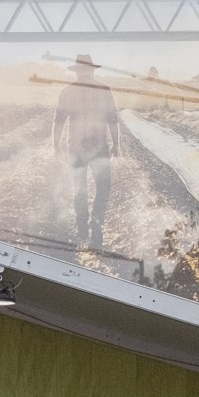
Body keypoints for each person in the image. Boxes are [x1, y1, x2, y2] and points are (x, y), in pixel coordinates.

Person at [52, 51, 121, 250]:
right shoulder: (104, 89)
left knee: (79, 189)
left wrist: (56, 145)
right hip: (99, 147)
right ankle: (95, 227)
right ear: (90, 69)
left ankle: (82, 230)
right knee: (103, 187)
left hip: (76, 147)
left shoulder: (67, 92)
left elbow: (59, 121)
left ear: (78, 71)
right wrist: (116, 144)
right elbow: (113, 119)